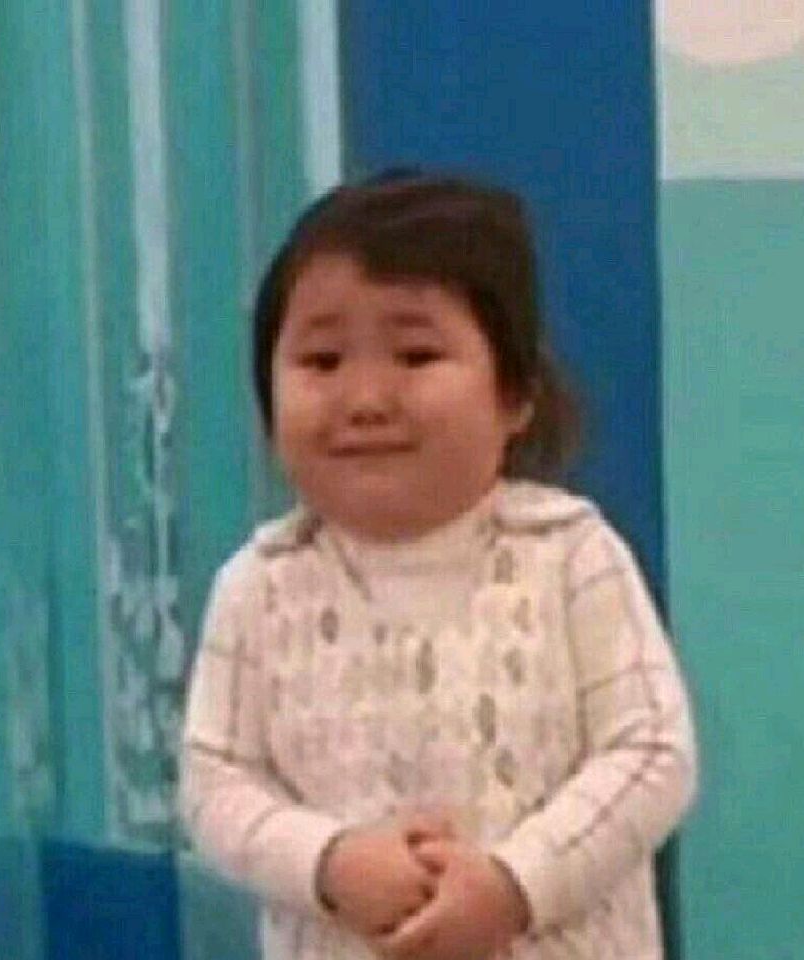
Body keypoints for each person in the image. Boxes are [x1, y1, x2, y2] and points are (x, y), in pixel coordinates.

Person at [179, 172, 697, 960]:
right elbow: (214, 782)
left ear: (515, 394)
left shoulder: (571, 555)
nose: (365, 399)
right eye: (321, 360)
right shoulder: (259, 585)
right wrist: (328, 862)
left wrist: (514, 884)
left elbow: (653, 753)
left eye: (416, 354)